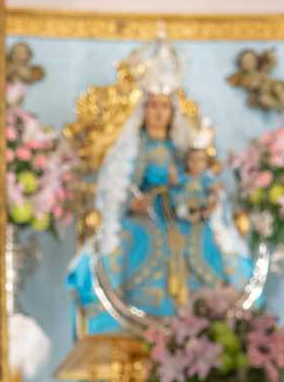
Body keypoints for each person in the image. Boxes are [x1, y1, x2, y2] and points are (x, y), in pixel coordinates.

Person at [66, 36, 253, 334]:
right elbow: (119, 188)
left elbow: (197, 177)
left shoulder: (180, 146)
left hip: (181, 211)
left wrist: (207, 198)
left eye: (164, 107)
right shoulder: (134, 149)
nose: (158, 113)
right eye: (153, 106)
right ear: (145, 110)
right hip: (146, 213)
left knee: (202, 234)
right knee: (134, 235)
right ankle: (143, 315)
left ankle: (202, 315)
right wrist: (133, 202)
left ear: (172, 112)